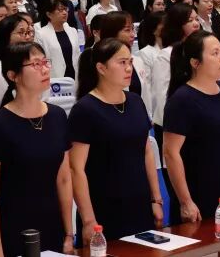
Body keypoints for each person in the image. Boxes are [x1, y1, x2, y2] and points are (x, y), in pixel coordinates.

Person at [0, 42, 74, 257]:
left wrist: (69, 233)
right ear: (13, 75)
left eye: (45, 62)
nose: (45, 69)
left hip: (51, 226)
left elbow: (64, 179)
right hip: (12, 230)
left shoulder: (57, 116)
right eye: (36, 64)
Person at [70, 38, 163, 243]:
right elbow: (76, 169)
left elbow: (147, 151)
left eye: (130, 62)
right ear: (101, 68)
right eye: (122, 63)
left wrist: (156, 199)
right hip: (104, 208)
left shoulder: (135, 101)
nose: (129, 68)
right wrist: (88, 220)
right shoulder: (85, 110)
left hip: (139, 203)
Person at [163, 31, 220, 223]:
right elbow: (170, 153)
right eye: (215, 53)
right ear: (195, 62)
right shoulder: (182, 99)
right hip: (198, 190)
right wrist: (186, 201)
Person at [148, 3, 201, 145]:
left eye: (197, 19)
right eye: (190, 20)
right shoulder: (166, 55)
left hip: (197, 120)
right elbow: (163, 96)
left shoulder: (200, 52)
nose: (196, 24)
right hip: (173, 125)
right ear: (177, 25)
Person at [0, 14, 41, 132]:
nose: (28, 37)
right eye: (21, 32)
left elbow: (44, 101)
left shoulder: (38, 66)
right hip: (5, 133)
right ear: (6, 37)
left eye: (28, 32)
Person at [35, 0, 81, 83]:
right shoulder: (41, 34)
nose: (64, 12)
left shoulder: (72, 31)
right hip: (54, 79)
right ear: (49, 14)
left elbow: (77, 55)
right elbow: (40, 62)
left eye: (65, 9)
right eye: (60, 10)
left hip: (74, 76)